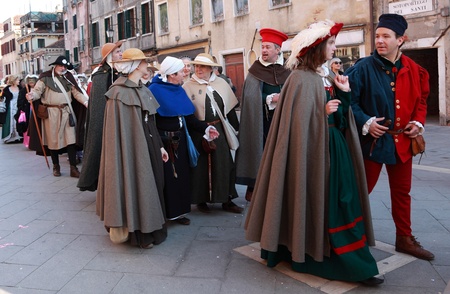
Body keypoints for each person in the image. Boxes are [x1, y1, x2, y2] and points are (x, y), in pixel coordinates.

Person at [245, 19, 383, 285]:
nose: (334, 48)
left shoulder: (327, 76)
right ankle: (323, 255)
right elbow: (297, 127)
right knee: (321, 200)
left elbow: (342, 120)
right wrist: (322, 113)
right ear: (316, 48)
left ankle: (352, 257)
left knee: (343, 200)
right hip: (311, 154)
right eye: (330, 43)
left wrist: (343, 95)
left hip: (334, 150)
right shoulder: (299, 79)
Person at [346, 14, 433, 261]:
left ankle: (404, 238)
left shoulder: (415, 70)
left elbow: (422, 101)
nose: (380, 41)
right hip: (371, 143)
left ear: (400, 40)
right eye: (377, 36)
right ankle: (352, 240)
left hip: (402, 143)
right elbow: (348, 102)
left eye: (386, 36)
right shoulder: (361, 69)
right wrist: (366, 122)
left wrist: (417, 123)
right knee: (361, 192)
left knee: (402, 193)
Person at [96, 48, 169, 249]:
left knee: (153, 184)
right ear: (137, 65)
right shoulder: (117, 93)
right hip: (131, 149)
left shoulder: (143, 89)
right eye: (144, 62)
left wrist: (160, 147)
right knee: (136, 184)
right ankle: (139, 234)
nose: (147, 66)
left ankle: (152, 227)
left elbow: (150, 121)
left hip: (150, 145)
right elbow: (118, 132)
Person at [149, 56, 219, 225]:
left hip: (181, 141)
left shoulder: (178, 89)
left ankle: (180, 212)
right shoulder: (153, 90)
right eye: (181, 71)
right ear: (172, 74)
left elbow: (189, 117)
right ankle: (168, 214)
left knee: (182, 178)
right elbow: (151, 122)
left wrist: (206, 128)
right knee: (168, 179)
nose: (184, 74)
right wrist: (161, 142)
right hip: (165, 142)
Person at [182, 53, 242, 214]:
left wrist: (237, 130)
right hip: (198, 131)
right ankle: (201, 200)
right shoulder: (188, 86)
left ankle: (226, 199)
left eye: (202, 66)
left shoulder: (221, 83)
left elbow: (229, 109)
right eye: (196, 66)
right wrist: (201, 129)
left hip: (219, 130)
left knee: (223, 164)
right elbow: (187, 114)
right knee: (200, 167)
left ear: (210, 68)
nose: (198, 69)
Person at [235, 28, 291, 202]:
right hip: (262, 121)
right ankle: (254, 187)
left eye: (268, 47)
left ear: (277, 50)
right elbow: (250, 96)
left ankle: (278, 188)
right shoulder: (255, 71)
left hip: (282, 120)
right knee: (259, 151)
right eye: (263, 47)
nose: (264, 50)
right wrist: (269, 98)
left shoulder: (287, 69)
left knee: (280, 154)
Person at [26, 56, 89, 177]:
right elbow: (37, 91)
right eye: (61, 66)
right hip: (51, 114)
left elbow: (76, 93)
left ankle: (73, 168)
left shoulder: (68, 79)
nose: (63, 68)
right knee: (53, 141)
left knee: (71, 140)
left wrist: (86, 102)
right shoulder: (45, 78)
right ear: (55, 66)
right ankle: (56, 166)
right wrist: (31, 96)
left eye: (65, 66)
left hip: (66, 112)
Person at [77, 40, 123, 191]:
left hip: (120, 119)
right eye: (117, 52)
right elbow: (98, 105)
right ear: (109, 56)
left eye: (120, 51)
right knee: (101, 151)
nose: (121, 54)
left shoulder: (120, 72)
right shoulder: (100, 75)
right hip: (104, 120)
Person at [17, 75, 39, 147]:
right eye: (30, 81)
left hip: (37, 109)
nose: (31, 83)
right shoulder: (24, 90)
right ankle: (28, 142)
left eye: (33, 81)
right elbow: (20, 101)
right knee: (28, 126)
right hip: (28, 110)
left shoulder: (38, 89)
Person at [1, 74, 23, 143]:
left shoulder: (21, 88)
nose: (19, 81)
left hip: (19, 105)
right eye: (17, 80)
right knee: (11, 121)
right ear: (13, 81)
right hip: (10, 106)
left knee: (18, 120)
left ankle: (18, 136)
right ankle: (10, 137)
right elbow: (4, 99)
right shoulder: (7, 89)